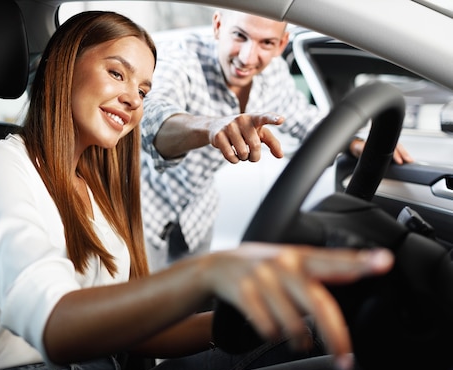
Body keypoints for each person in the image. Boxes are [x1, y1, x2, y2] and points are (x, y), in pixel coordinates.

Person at [0, 10, 405, 370]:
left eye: (142, 88)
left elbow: (136, 336)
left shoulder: (93, 193)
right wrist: (207, 273)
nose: (133, 99)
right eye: (116, 73)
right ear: (62, 66)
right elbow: (54, 327)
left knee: (309, 332)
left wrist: (240, 319)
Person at [140, 9, 414, 272]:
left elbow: (302, 117)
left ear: (282, 43)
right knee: (140, 311)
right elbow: (151, 116)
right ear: (218, 26)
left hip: (198, 215)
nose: (248, 57)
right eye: (239, 36)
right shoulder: (181, 58)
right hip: (143, 209)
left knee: (188, 304)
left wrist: (354, 141)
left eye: (266, 42)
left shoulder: (274, 74)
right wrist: (211, 126)